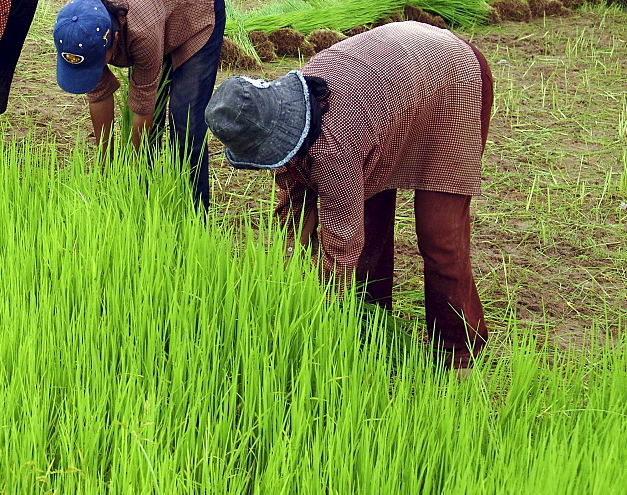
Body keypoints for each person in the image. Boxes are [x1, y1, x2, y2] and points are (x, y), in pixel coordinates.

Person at [204, 21, 493, 371]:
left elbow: (341, 247)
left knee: (439, 236)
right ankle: (370, 322)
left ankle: (458, 353)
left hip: (450, 77)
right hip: (389, 91)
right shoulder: (279, 111)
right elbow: (294, 207)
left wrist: (324, 316)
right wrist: (288, 273)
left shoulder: (334, 149)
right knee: (368, 219)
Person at [53, 0, 225, 211]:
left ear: (114, 40)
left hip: (194, 6)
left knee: (185, 121)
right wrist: (106, 166)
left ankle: (194, 213)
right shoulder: (76, 26)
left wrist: (130, 170)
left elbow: (143, 105)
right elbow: (98, 94)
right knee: (151, 126)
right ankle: (145, 197)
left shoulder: (141, 32)